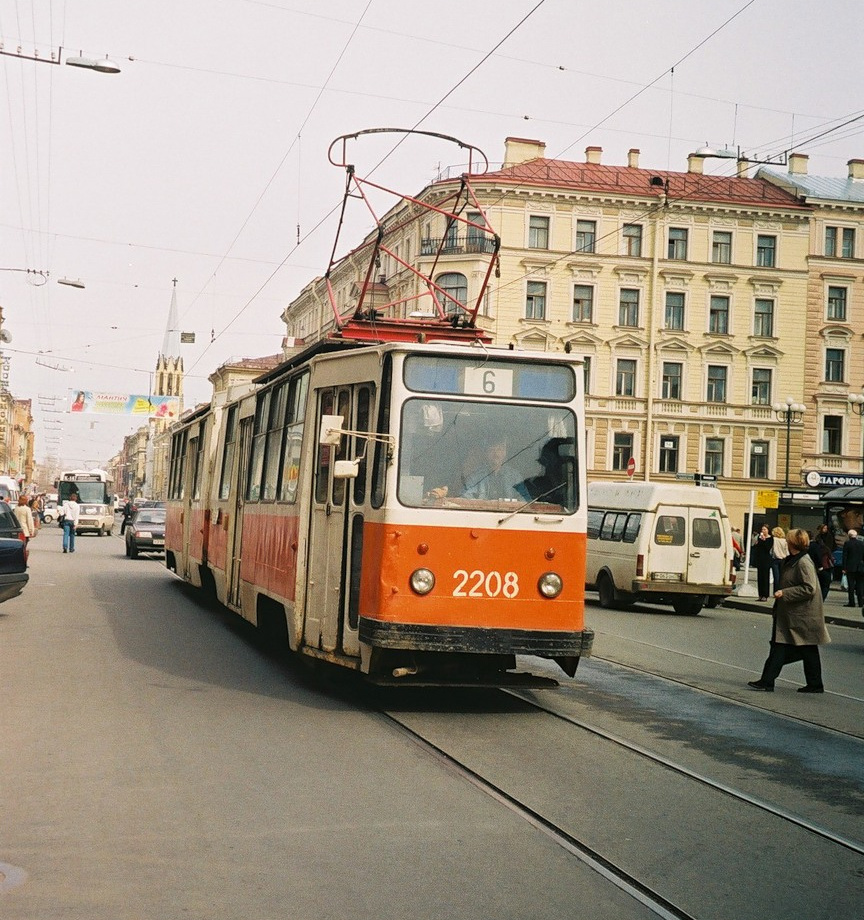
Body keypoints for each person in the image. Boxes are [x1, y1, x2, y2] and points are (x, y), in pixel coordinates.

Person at [747, 528, 830, 693]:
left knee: (787, 647)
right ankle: (813, 684)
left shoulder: (803, 562)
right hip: (792, 614)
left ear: (793, 543)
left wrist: (785, 593)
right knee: (803, 649)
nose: (785, 542)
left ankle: (768, 681)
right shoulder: (792, 559)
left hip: (801, 615)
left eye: (787, 540)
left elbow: (809, 588)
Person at [808, 527, 834, 601]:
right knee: (825, 585)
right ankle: (822, 599)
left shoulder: (812, 547)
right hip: (825, 568)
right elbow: (831, 558)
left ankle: (817, 598)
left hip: (816, 568)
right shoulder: (826, 549)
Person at [841, 528, 864, 607]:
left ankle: (852, 602)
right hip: (860, 568)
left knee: (851, 586)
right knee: (860, 585)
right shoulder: (861, 543)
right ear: (856, 535)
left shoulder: (847, 543)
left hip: (850, 567)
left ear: (849, 536)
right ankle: (861, 603)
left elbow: (845, 556)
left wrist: (844, 568)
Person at [750, 525, 774, 602]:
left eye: (765, 529)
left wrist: (763, 540)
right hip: (760, 559)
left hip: (766, 559)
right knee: (760, 577)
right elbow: (757, 547)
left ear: (768, 530)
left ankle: (765, 595)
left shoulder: (770, 538)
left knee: (765, 577)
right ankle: (760, 594)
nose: (763, 531)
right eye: (762, 529)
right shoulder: (759, 538)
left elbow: (767, 548)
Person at [770, 526, 789, 592]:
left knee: (776, 576)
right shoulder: (784, 541)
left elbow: (771, 550)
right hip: (783, 559)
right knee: (782, 576)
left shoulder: (774, 540)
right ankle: (781, 589)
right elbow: (787, 551)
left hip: (775, 559)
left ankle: (775, 590)